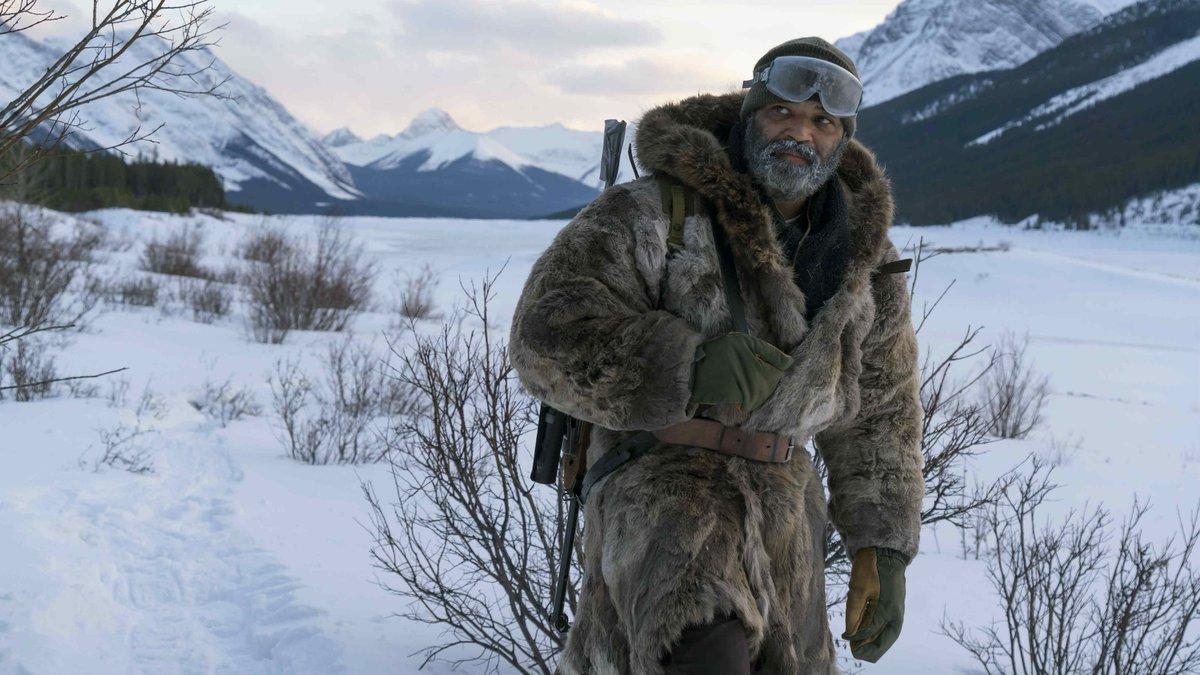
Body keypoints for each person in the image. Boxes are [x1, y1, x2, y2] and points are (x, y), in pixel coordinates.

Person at [508, 37, 924, 674]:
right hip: (661, 501)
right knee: (703, 652)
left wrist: (881, 545)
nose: (800, 134)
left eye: (822, 122)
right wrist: (684, 366)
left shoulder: (863, 263)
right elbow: (544, 335)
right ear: (750, 113)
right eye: (783, 112)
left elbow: (882, 414)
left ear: (841, 139)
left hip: (787, 522)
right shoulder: (653, 213)